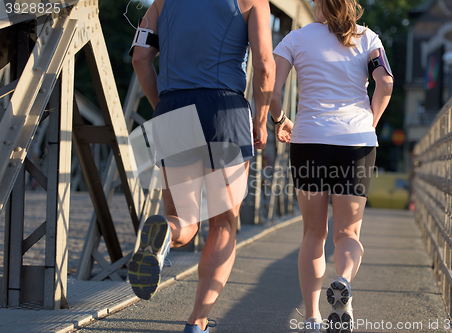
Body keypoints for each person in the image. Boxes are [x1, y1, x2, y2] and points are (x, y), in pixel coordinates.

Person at [127, 0, 275, 332]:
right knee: (223, 223)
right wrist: (262, 120)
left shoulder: (161, 2)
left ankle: (165, 236)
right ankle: (197, 322)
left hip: (172, 104)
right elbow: (265, 65)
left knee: (183, 219)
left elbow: (139, 57)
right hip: (224, 110)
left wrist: (163, 106)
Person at [270, 0, 393, 332]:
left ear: (316, 3)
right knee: (348, 233)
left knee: (314, 233)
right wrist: (370, 122)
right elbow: (386, 84)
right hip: (356, 141)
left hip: (310, 140)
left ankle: (311, 318)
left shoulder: (295, 39)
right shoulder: (368, 38)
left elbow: (272, 89)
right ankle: (342, 281)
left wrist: (280, 119)